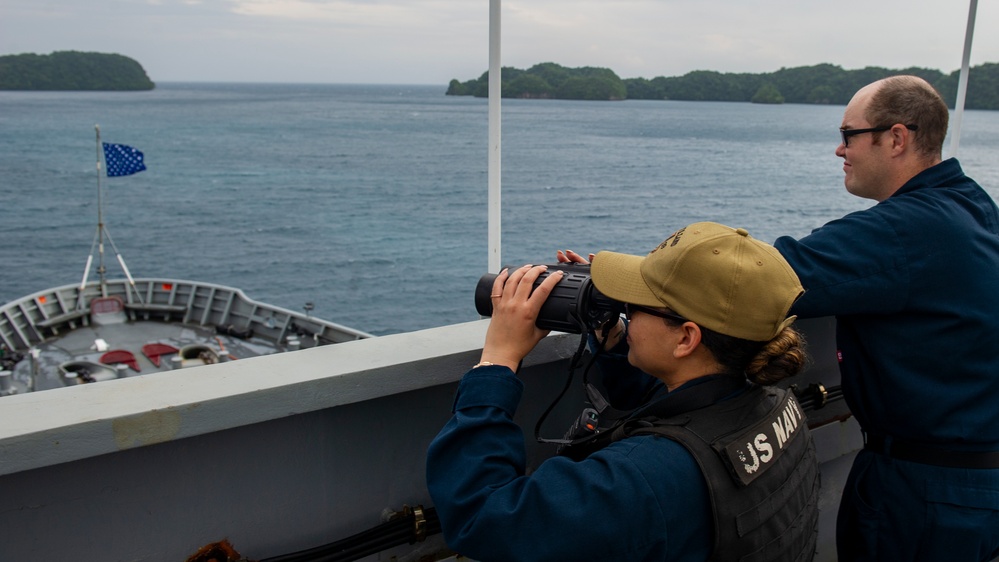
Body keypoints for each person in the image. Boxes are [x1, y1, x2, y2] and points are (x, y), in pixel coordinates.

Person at [427, 222, 819, 562]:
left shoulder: (643, 477)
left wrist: (497, 362)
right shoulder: (776, 403)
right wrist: (614, 337)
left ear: (686, 338)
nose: (624, 308)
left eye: (636, 304)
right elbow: (683, 414)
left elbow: (482, 516)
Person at [772, 75, 999, 561]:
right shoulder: (972, 204)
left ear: (896, 138)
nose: (839, 150)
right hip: (973, 480)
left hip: (922, 493)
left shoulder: (905, 228)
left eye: (848, 134)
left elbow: (766, 276)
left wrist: (628, 278)